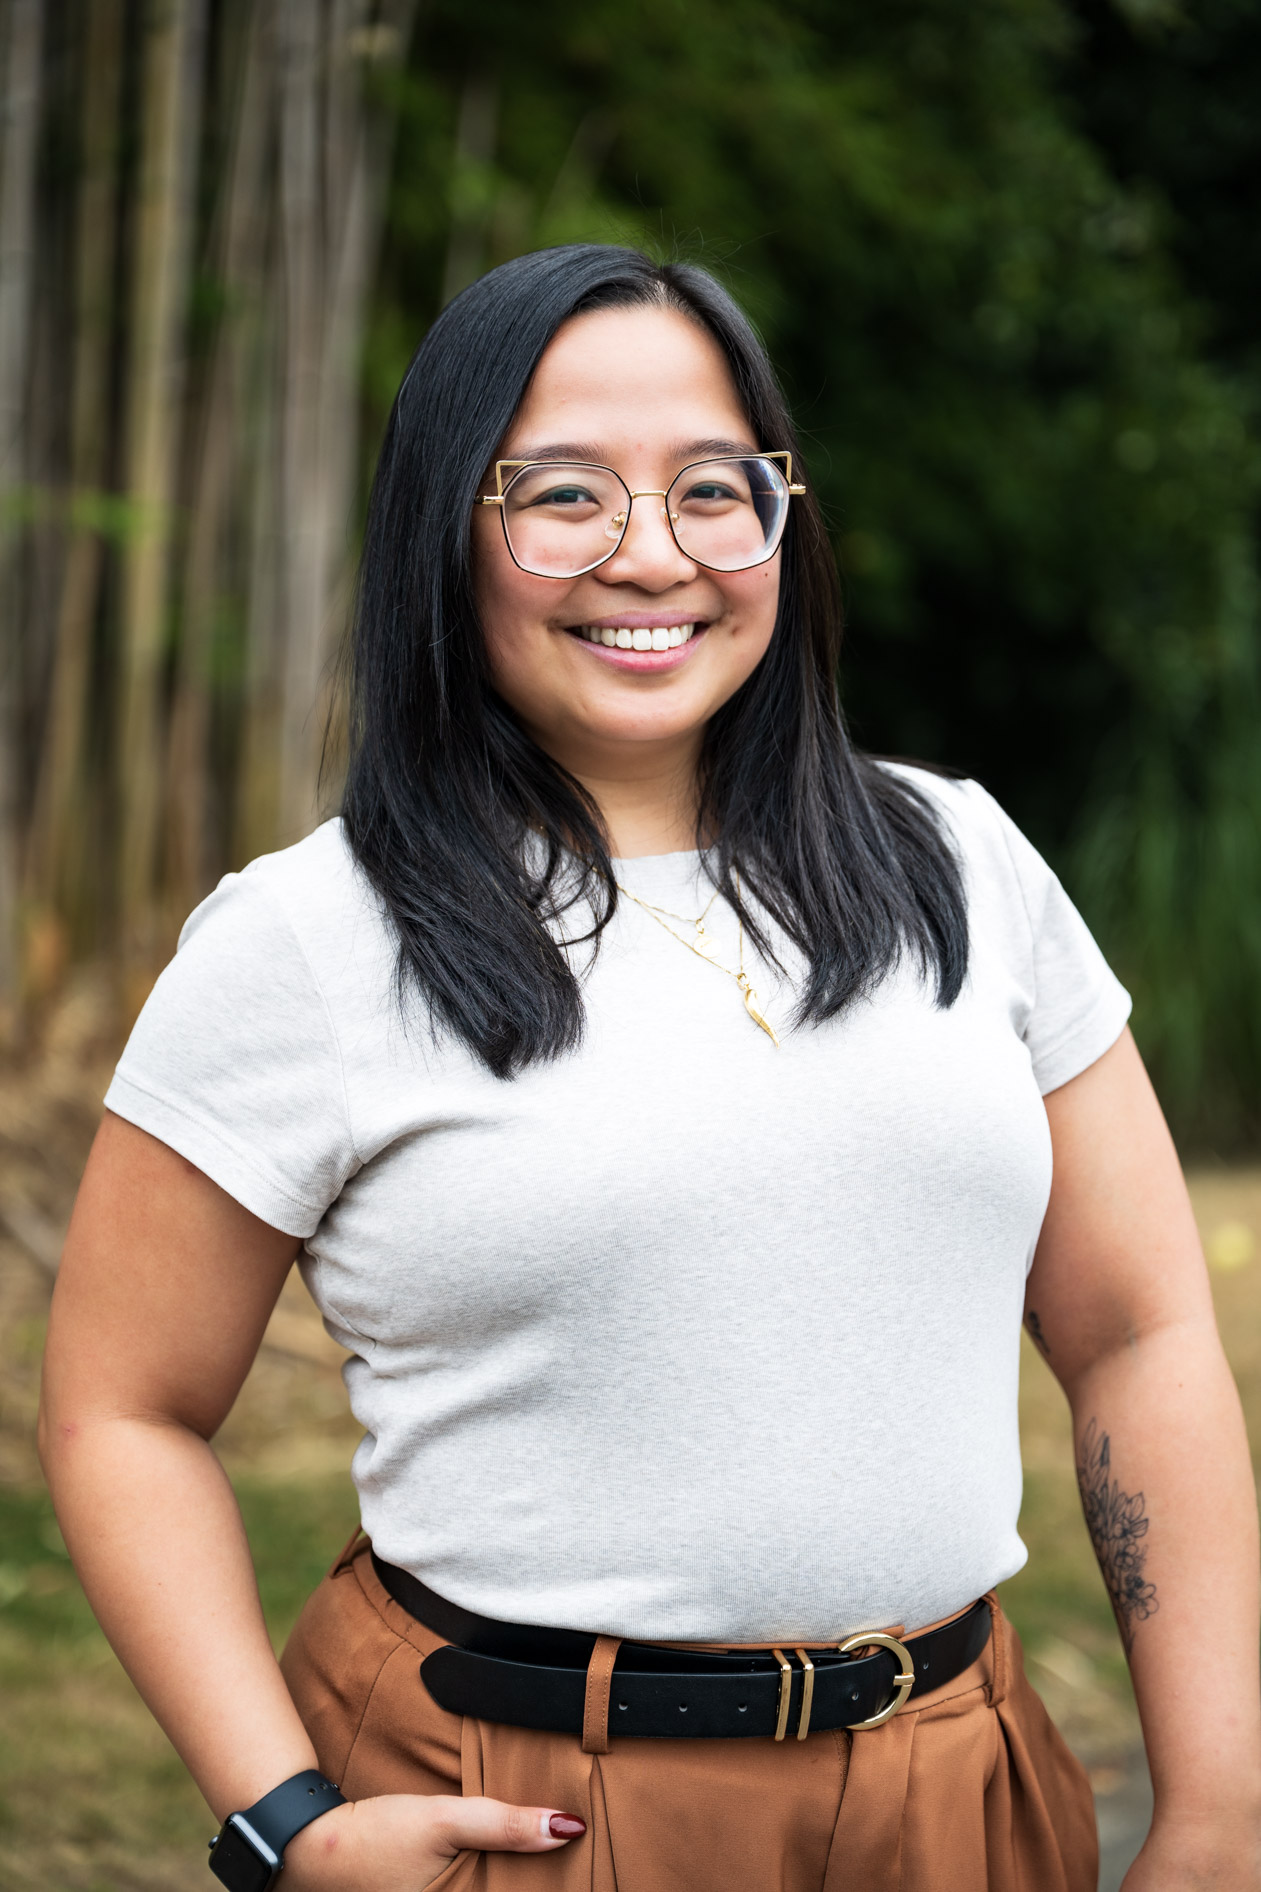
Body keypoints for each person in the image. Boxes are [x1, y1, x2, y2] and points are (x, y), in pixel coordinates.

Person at [39, 245, 1260, 1892]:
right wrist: (284, 1823)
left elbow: (1137, 1334)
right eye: (562, 494)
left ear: (781, 519)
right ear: (444, 528)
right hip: (516, 1800)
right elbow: (124, 1411)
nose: (649, 554)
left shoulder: (960, 863)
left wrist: (1219, 1808)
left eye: (711, 488)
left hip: (956, 1790)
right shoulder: (304, 942)